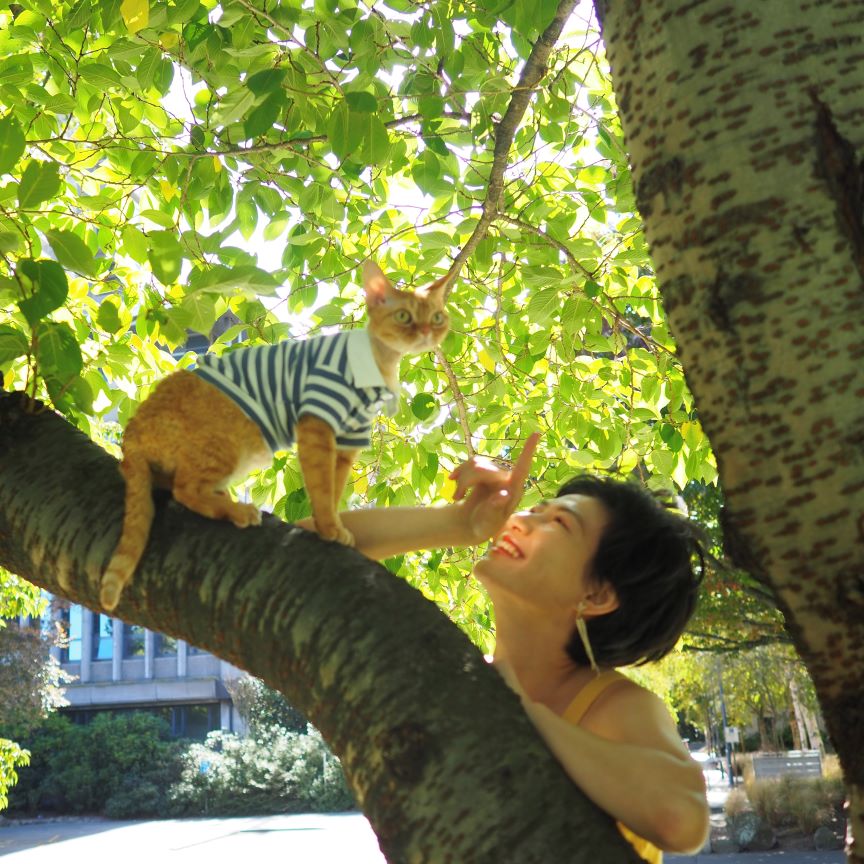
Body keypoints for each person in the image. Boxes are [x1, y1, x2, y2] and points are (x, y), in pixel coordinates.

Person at [306, 433, 710, 860]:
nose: (518, 520)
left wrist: (522, 711)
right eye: (534, 510)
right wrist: (460, 523)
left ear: (597, 595)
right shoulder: (462, 679)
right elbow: (294, 556)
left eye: (559, 523)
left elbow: (681, 820)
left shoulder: (615, 706)